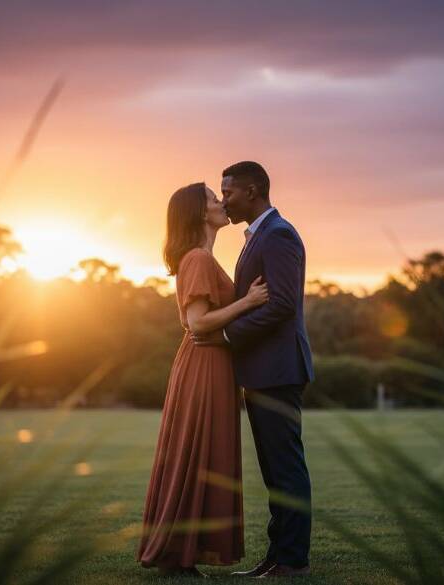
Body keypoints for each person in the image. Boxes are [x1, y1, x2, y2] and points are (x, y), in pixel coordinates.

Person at [137, 182, 269, 577]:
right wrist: (247, 302)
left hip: (213, 362)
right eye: (214, 198)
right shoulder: (197, 259)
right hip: (204, 363)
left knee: (205, 452)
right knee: (196, 452)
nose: (221, 201)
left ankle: (184, 552)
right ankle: (177, 553)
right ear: (199, 213)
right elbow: (197, 323)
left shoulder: (203, 257)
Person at [197, 161, 314, 578]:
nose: (223, 199)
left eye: (227, 192)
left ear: (253, 191)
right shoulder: (257, 237)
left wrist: (227, 337)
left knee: (285, 467)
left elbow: (281, 304)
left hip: (278, 369)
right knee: (274, 470)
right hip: (263, 370)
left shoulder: (278, 235)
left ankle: (293, 560)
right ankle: (277, 556)